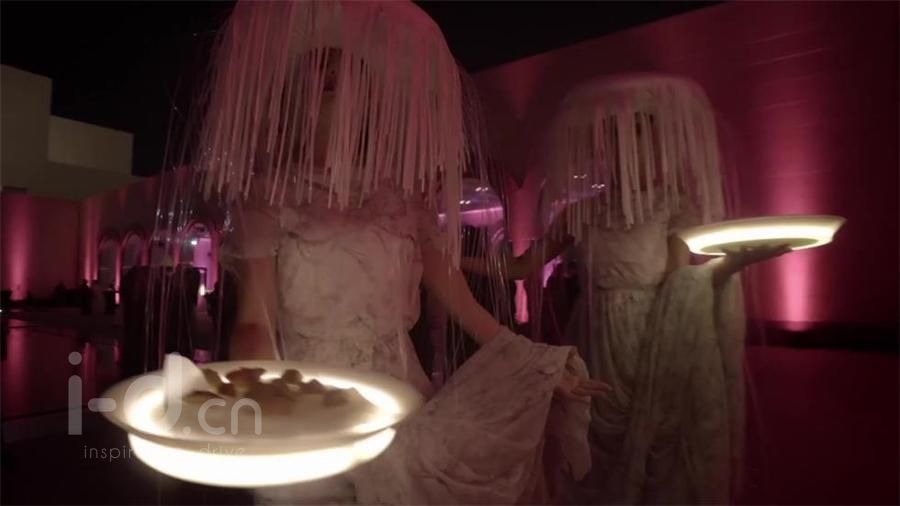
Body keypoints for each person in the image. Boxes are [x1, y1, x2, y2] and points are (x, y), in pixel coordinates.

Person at [188, 2, 609, 504]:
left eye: (346, 66)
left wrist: (537, 368)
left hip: (398, 400)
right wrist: (261, 391)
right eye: (317, 64)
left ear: (370, 95)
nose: (331, 73)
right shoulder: (268, 197)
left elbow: (465, 305)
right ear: (294, 91)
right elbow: (255, 320)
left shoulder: (404, 201)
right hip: (310, 393)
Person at [462, 75, 792, 504]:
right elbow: (522, 267)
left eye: (636, 137)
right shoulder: (580, 213)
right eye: (614, 140)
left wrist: (736, 262)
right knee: (591, 447)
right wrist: (452, 262)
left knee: (652, 448)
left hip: (652, 340)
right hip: (595, 337)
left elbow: (683, 283)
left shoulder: (674, 205)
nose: (623, 150)